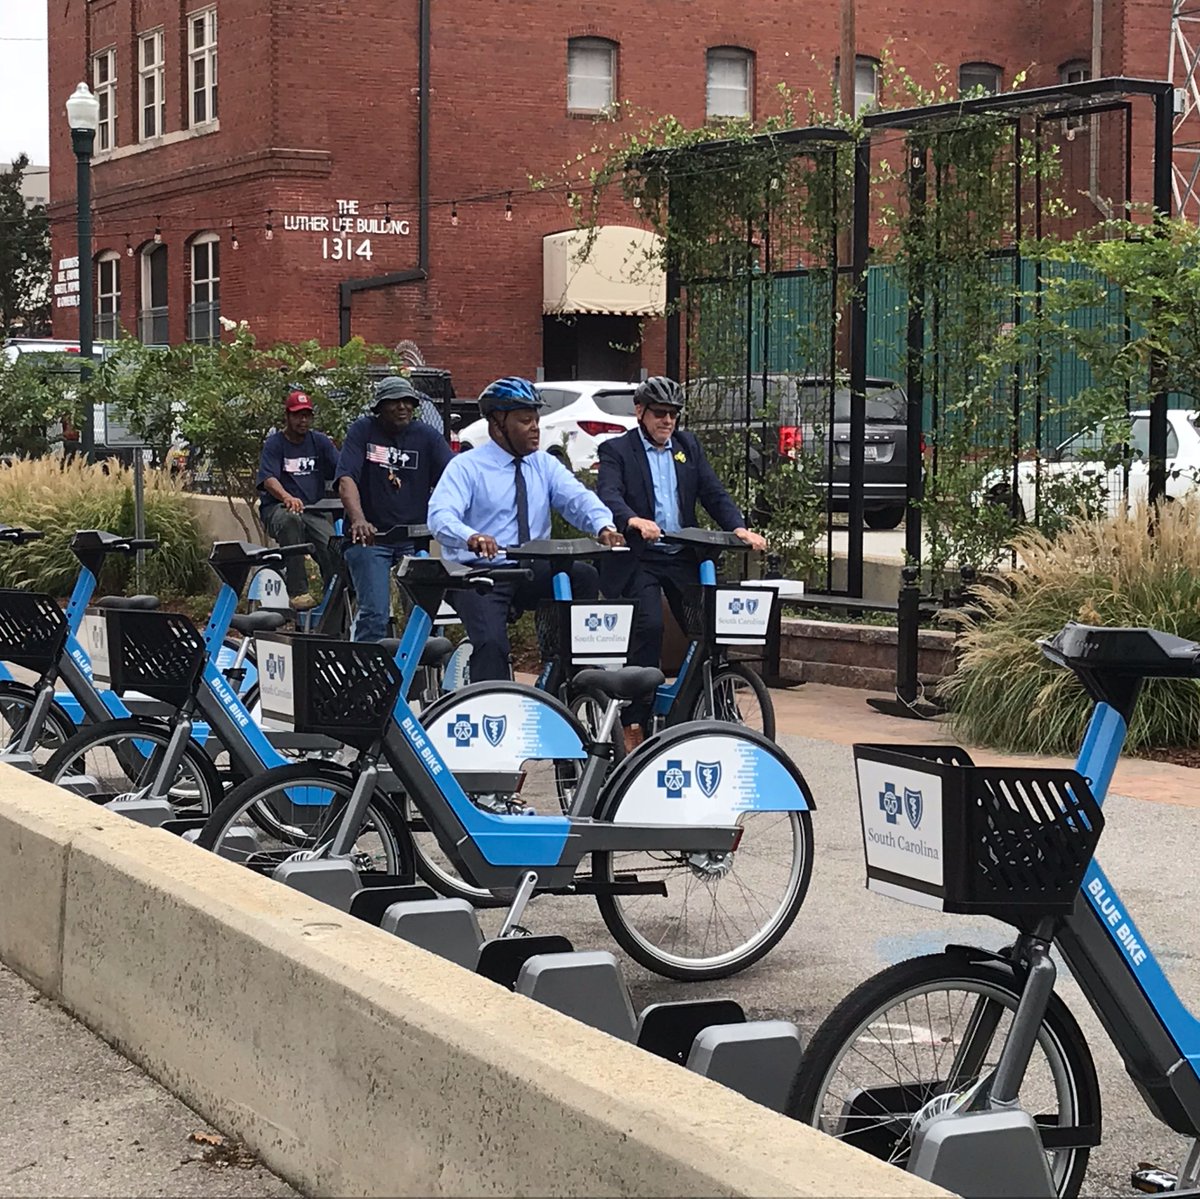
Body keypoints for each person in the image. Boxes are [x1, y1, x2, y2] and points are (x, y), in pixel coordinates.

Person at [596, 375, 767, 746]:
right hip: (641, 558)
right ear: (640, 411)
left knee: (710, 627)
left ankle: (720, 706)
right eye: (659, 413)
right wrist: (631, 520)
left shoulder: (687, 446)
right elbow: (608, 493)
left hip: (679, 554)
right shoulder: (617, 450)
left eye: (673, 414)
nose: (667, 421)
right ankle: (634, 720)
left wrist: (738, 528)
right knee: (650, 627)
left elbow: (712, 491)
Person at [428, 376, 624, 681]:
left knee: (584, 577)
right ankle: (492, 707)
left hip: (529, 569)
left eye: (536, 419)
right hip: (478, 574)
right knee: (491, 645)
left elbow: (577, 498)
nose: (535, 427)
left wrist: (603, 526)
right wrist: (472, 537)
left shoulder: (544, 465)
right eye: (525, 420)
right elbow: (441, 515)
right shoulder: (466, 467)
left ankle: (563, 676)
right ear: (497, 424)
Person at [336, 375, 454, 641]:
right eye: (395, 402)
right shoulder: (363, 431)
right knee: (375, 614)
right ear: (379, 407)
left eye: (408, 402)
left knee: (423, 612)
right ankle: (365, 673)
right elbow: (346, 480)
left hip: (414, 540)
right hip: (370, 539)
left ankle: (419, 671)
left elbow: (455, 478)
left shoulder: (426, 436)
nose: (403, 407)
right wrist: (358, 520)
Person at [256, 390, 340, 610]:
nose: (303, 420)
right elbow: (268, 479)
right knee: (291, 520)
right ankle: (298, 591)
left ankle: (334, 602)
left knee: (333, 545)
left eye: (307, 415)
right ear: (287, 416)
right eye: (297, 415)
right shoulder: (275, 444)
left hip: (312, 511)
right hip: (279, 509)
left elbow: (342, 470)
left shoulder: (319, 442)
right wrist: (287, 497)